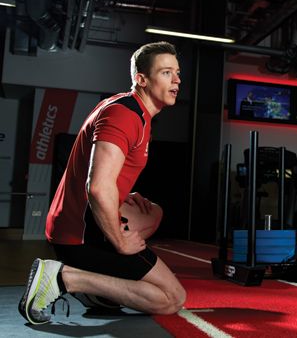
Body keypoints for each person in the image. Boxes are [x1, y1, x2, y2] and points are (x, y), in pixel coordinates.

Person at [19, 41, 186, 324]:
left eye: (177, 72)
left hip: (77, 223)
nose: (177, 80)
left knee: (153, 212)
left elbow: (103, 175)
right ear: (141, 79)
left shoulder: (136, 113)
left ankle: (98, 292)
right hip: (80, 233)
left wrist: (121, 191)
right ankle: (64, 278)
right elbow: (97, 186)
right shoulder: (125, 114)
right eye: (166, 72)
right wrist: (119, 241)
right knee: (172, 298)